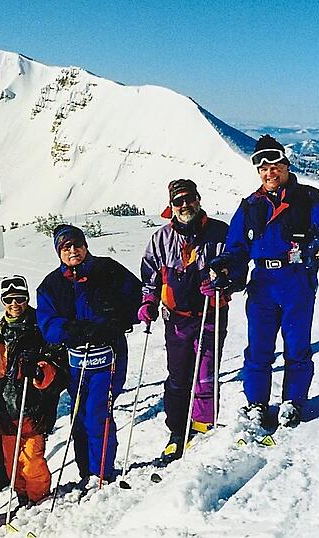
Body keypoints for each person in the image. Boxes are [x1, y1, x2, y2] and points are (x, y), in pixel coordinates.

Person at [213, 134, 319, 429]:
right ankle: (257, 402)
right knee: (258, 348)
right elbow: (236, 247)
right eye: (264, 169)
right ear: (259, 172)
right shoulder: (250, 206)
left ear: (285, 166)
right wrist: (224, 267)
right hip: (262, 284)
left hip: (297, 280)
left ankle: (292, 401)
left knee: (296, 346)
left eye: (275, 166)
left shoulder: (309, 198)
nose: (270, 173)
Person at [35, 224, 141, 485]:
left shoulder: (108, 269)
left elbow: (137, 295)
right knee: (79, 417)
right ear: (59, 252)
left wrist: (118, 319)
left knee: (97, 413)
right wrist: (70, 328)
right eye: (66, 247)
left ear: (85, 245)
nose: (73, 251)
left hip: (108, 355)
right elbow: (47, 324)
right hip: (75, 360)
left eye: (77, 244)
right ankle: (87, 473)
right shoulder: (52, 285)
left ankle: (102, 473)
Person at [139, 179, 231, 462]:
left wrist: (223, 284)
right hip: (176, 320)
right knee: (178, 378)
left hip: (211, 313)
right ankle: (177, 432)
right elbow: (150, 275)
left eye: (188, 199)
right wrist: (149, 301)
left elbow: (237, 268)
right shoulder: (161, 239)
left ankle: (204, 428)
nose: (184, 205)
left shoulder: (219, 233)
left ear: (198, 198)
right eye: (178, 201)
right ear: (171, 206)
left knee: (205, 375)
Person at [0, 276, 68, 505]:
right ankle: (23, 500)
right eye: (9, 299)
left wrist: (42, 370)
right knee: (13, 466)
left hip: (32, 408)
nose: (14, 304)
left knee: (32, 463)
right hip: (4, 412)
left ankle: (39, 500)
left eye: (19, 298)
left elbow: (60, 366)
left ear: (27, 299)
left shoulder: (40, 327)